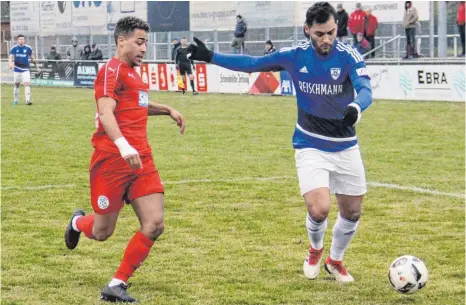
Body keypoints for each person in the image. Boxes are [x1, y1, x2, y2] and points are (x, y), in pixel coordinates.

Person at [187, 1, 372, 283]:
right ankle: (314, 250)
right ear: (307, 30)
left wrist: (356, 108)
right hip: (310, 143)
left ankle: (335, 261)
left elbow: (365, 89)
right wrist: (210, 56)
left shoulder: (349, 56)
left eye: (331, 33)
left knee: (353, 211)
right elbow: (252, 64)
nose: (326, 39)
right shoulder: (294, 55)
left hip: (346, 146)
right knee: (319, 208)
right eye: (320, 34)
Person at [64, 16, 186, 303]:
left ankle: (116, 284)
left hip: (141, 159)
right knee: (102, 231)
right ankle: (77, 223)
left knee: (155, 223)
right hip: (112, 161)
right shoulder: (110, 70)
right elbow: (106, 112)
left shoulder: (134, 73)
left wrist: (166, 108)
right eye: (139, 42)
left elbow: (137, 105)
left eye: (146, 43)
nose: (145, 49)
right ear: (122, 41)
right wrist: (123, 145)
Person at [8, 34, 40, 105]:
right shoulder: (14, 48)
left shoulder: (28, 48)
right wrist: (10, 63)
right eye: (20, 39)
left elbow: (32, 58)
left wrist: (37, 66)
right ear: (17, 40)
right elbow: (10, 57)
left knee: (27, 83)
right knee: (16, 85)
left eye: (22, 39)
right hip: (17, 70)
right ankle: (16, 100)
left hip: (25, 69)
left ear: (24, 40)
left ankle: (27, 100)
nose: (21, 40)